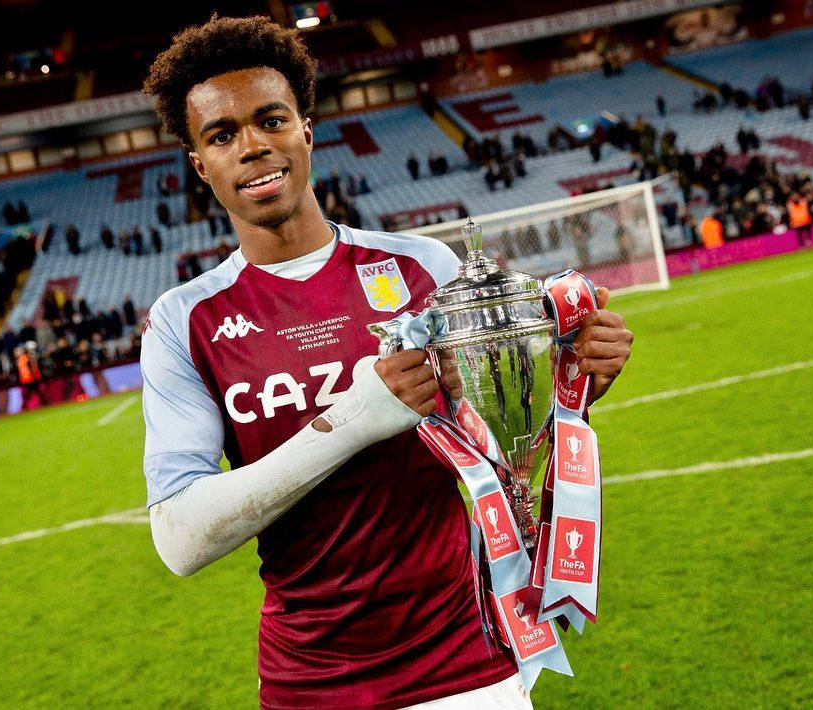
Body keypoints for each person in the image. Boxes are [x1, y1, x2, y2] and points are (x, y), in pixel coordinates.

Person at [141, 16, 632, 709]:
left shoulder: (420, 267)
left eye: (270, 120)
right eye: (222, 135)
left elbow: (491, 440)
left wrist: (566, 383)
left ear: (304, 131)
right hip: (308, 683)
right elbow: (181, 539)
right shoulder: (183, 321)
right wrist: (356, 416)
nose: (252, 146)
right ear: (201, 164)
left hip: (466, 660)